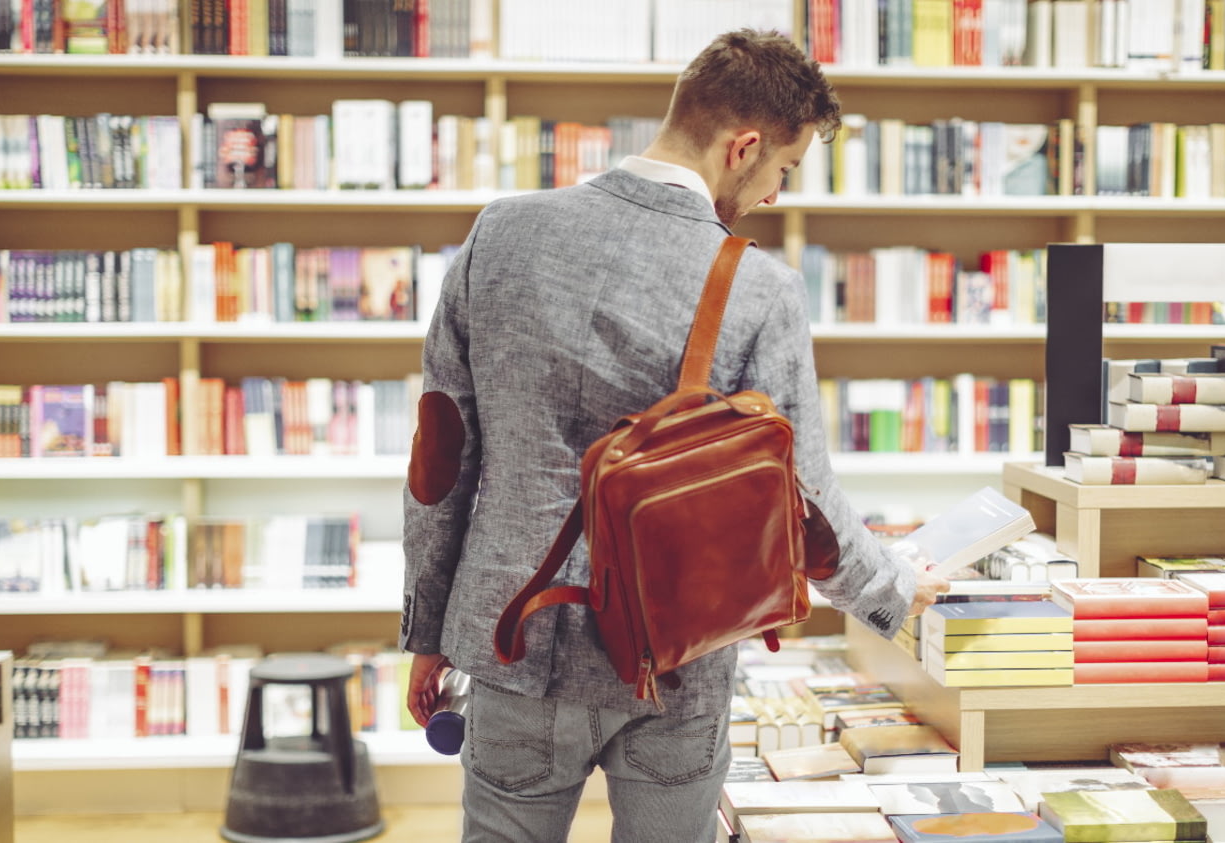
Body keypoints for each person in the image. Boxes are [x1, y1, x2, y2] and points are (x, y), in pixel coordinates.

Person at [400, 28, 950, 842]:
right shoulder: (760, 288)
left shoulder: (499, 233)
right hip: (674, 658)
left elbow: (441, 459)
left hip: (512, 640)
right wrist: (894, 590)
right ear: (744, 147)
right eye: (782, 171)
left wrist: (428, 628)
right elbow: (806, 507)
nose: (773, 194)